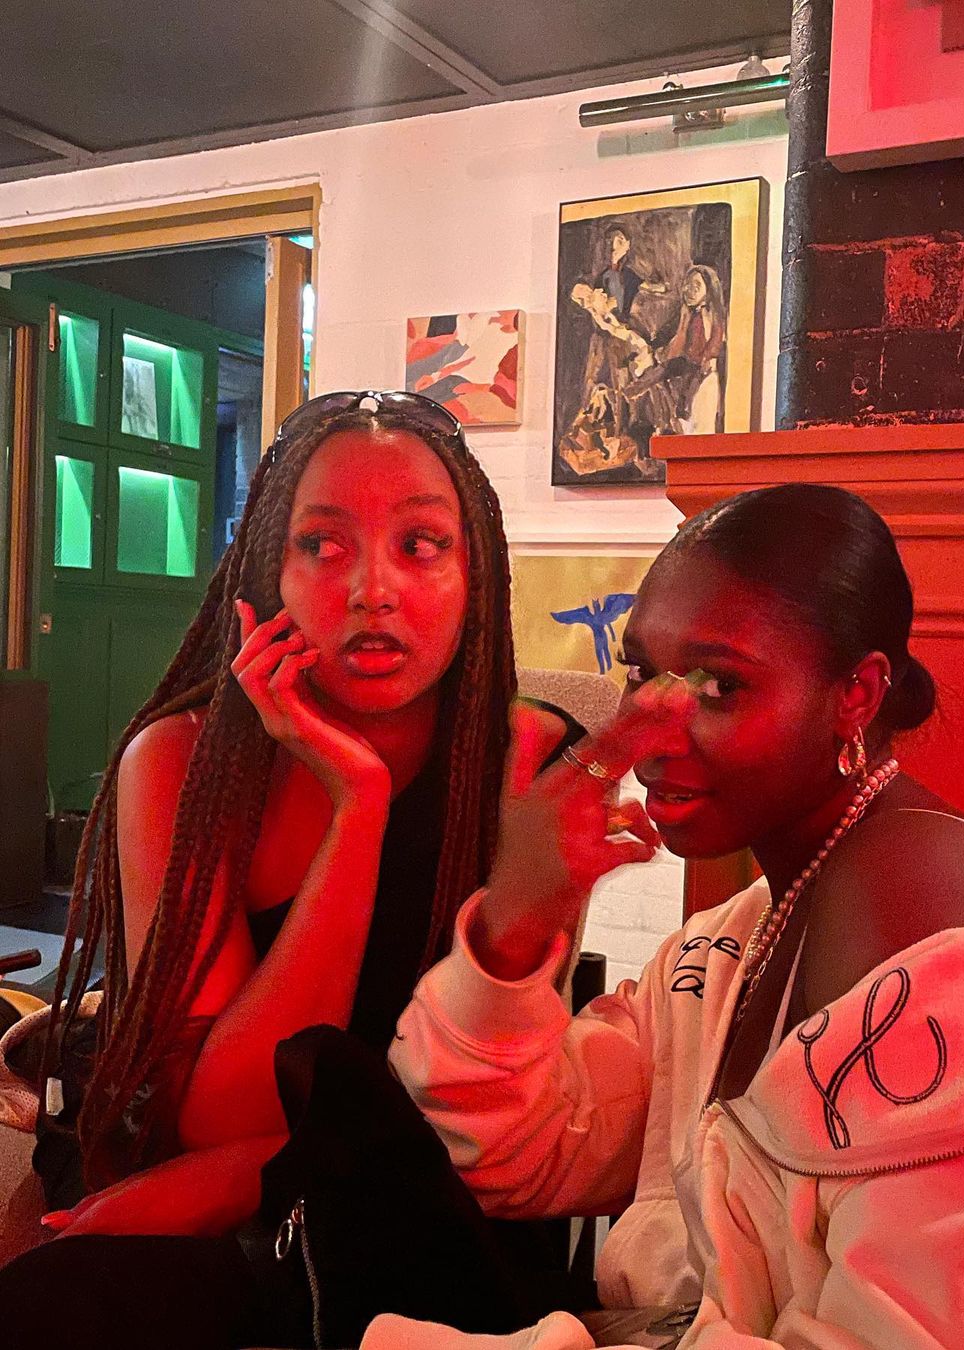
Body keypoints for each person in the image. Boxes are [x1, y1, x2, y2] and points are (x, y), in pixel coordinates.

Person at [380, 483, 964, 1348]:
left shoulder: (945, 956)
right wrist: (520, 917)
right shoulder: (738, 938)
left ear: (857, 694)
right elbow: (519, 1153)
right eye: (643, 676)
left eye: (718, 685)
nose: (651, 732)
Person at [0, 391, 584, 1347]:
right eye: (322, 544)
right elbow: (224, 1113)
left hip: (426, 1190)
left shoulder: (533, 766)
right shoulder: (185, 763)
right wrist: (358, 806)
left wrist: (245, 1173)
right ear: (268, 572)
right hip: (199, 1154)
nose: (372, 590)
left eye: (421, 545)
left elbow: (494, 1100)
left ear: (477, 572)